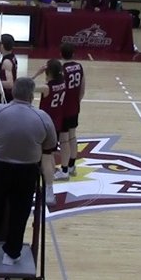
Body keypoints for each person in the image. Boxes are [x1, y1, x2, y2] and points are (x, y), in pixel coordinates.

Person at [0, 77, 58, 265]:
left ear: (13, 92)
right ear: (31, 96)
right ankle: (12, 253)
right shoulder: (43, 117)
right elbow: (51, 144)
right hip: (27, 172)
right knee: (20, 212)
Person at [33, 59, 68, 202]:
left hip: (46, 126)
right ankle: (49, 187)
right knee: (50, 156)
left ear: (48, 72)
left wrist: (37, 74)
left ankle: (49, 192)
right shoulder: (63, 83)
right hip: (57, 125)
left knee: (46, 158)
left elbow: (22, 86)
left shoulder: (46, 88)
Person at [59, 42, 85, 178]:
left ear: (60, 54)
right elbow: (82, 89)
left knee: (63, 139)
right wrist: (76, 102)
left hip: (63, 109)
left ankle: (64, 170)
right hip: (75, 107)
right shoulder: (79, 67)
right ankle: (72, 166)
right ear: (73, 53)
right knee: (72, 136)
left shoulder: (61, 69)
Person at [0, 33, 17, 104]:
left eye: (0, 43)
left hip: (5, 97)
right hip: (7, 95)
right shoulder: (12, 57)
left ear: (2, 46)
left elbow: (10, 84)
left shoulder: (6, 62)